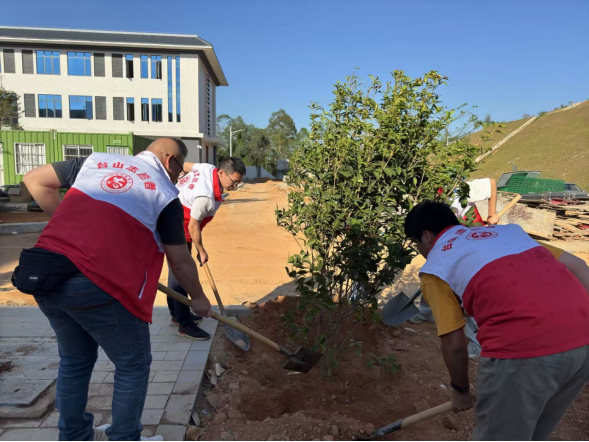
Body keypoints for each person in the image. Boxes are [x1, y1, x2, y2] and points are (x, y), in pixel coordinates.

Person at [19, 138, 212, 442]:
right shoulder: (164, 195)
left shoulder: (93, 163)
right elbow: (179, 258)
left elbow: (34, 181)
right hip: (97, 285)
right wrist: (198, 298)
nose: (178, 177)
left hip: (48, 274)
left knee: (74, 361)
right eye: (178, 170)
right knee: (133, 365)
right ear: (169, 158)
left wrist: (70, 236)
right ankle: (125, 437)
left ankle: (73, 437)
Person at [404, 201, 589, 441]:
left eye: (416, 243)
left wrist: (460, 390)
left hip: (523, 353)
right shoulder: (506, 233)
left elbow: (454, 344)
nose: (419, 250)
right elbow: (580, 267)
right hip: (582, 344)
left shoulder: (436, 268)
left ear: (427, 236)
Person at [410, 178, 499, 358]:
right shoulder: (421, 196)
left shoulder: (458, 187)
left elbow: (491, 182)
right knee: (434, 273)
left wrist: (492, 212)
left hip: (462, 240)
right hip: (441, 242)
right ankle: (427, 312)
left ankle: (477, 341)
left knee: (464, 289)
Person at [167, 157, 246, 340]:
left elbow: (183, 164)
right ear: (221, 173)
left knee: (176, 272)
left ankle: (176, 316)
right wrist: (201, 250)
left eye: (238, 183)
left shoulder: (207, 169)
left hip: (175, 216)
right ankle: (184, 325)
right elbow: (193, 227)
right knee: (182, 274)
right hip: (175, 224)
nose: (235, 186)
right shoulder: (206, 198)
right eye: (234, 182)